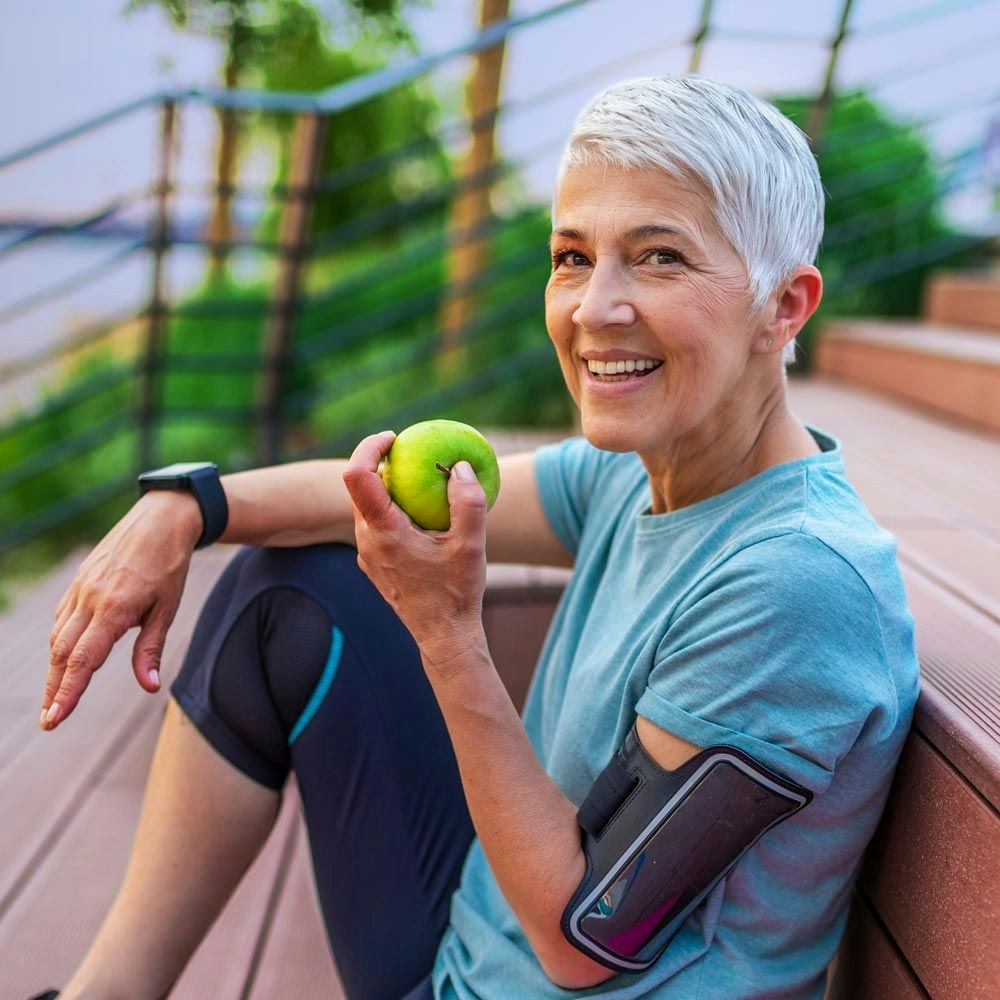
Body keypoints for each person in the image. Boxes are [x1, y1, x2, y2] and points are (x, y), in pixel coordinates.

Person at [33, 75, 919, 1000]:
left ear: (785, 306)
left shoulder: (795, 585)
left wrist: (448, 635)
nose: (594, 308)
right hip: (472, 934)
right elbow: (359, 498)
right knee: (284, 594)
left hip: (531, 969)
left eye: (658, 258)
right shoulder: (643, 469)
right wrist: (186, 508)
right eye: (573, 257)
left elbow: (587, 941)